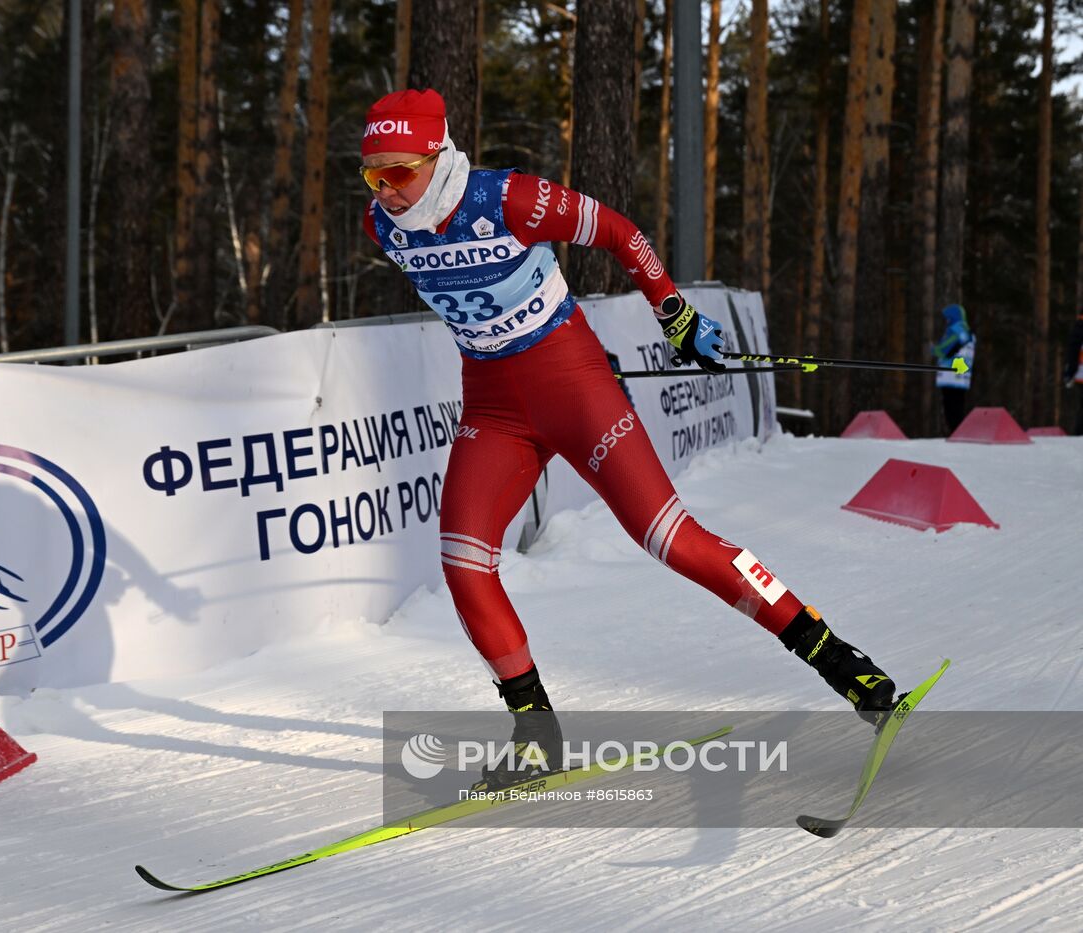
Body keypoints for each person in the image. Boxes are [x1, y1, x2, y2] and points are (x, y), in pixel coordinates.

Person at [360, 89, 898, 788]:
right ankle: (535, 732)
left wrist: (674, 312)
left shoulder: (511, 199)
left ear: (438, 158)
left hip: (573, 384)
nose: (386, 192)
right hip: (494, 406)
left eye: (398, 172)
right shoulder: (384, 225)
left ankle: (838, 659)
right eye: (372, 175)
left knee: (671, 538)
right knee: (464, 562)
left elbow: (620, 232)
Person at [933, 303, 975, 434]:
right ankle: (958, 433)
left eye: (948, 317)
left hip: (951, 376)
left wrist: (934, 349)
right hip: (961, 376)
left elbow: (943, 350)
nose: (946, 321)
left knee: (952, 408)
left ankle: (957, 433)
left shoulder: (956, 330)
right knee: (957, 406)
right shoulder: (967, 331)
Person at [1065, 313, 1083, 436]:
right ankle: (1078, 435)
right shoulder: (1080, 329)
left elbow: (1072, 352)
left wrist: (1069, 373)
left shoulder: (1079, 328)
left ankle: (1078, 435)